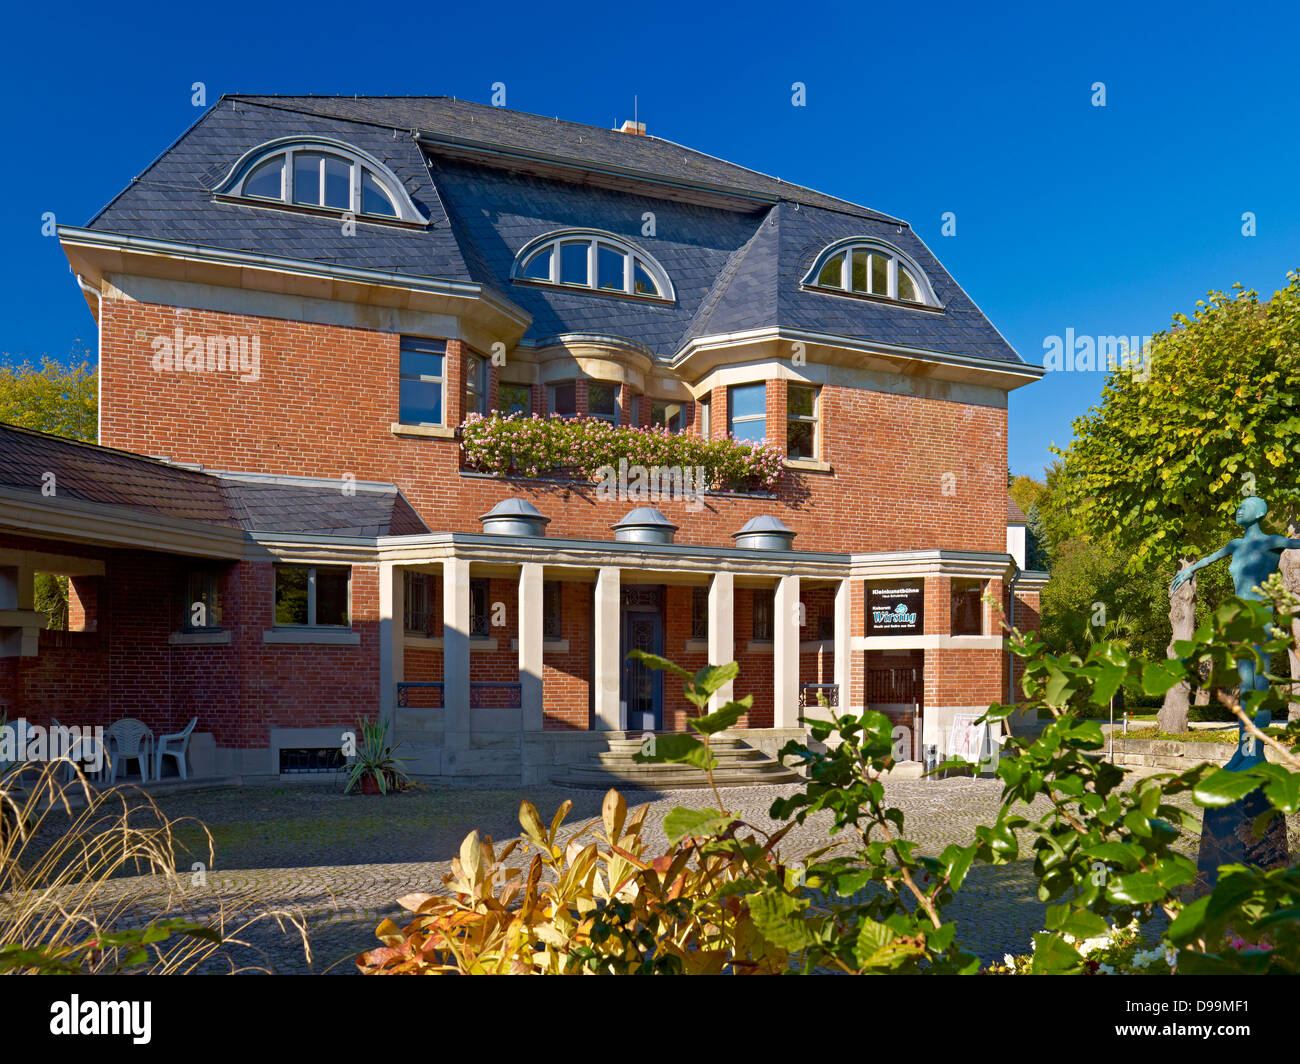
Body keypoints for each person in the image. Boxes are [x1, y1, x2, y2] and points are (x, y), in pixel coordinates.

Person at [1170, 495, 1300, 768]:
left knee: (1258, 687)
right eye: (1238, 505)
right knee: (1245, 687)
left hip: (1260, 619)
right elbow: (1210, 558)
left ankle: (1256, 754)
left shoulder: (1271, 541)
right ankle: (1243, 751)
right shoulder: (1235, 544)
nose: (1238, 510)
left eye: (1244, 506)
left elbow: (1295, 543)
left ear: (1259, 512)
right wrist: (1188, 570)